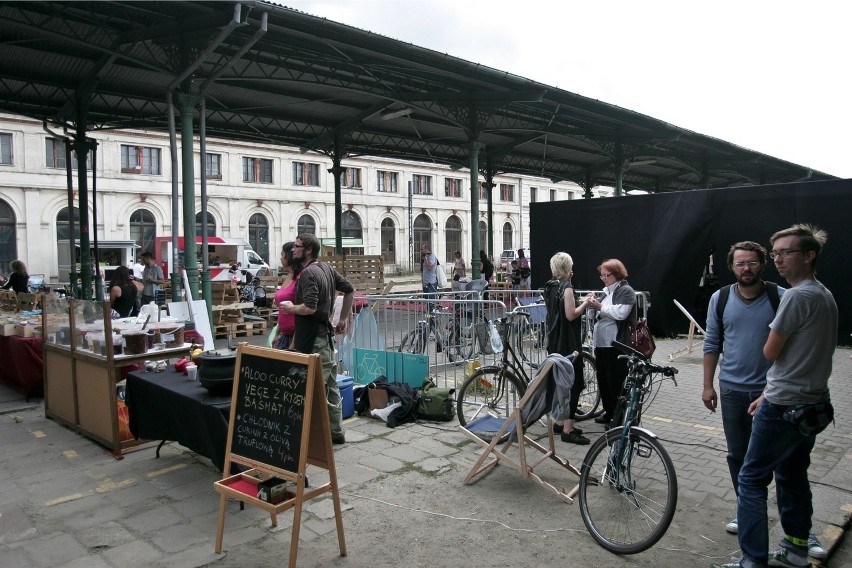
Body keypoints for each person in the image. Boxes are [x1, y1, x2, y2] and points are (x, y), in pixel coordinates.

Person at [712, 224, 838, 568]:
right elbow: (800, 359)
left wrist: (770, 392)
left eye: (786, 252)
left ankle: (752, 560)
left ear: (809, 256)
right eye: (777, 252)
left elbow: (770, 351)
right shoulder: (824, 294)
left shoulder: (795, 296)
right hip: (812, 401)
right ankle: (796, 551)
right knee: (792, 475)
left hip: (784, 405)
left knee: (751, 479)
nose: (779, 259)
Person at [702, 241, 794, 538]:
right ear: (732, 267)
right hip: (731, 392)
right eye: (740, 263)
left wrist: (773, 387)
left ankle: (794, 524)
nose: (746, 268)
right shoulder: (721, 298)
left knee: (781, 460)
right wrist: (707, 386)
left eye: (752, 263)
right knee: (738, 456)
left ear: (762, 265)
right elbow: (712, 343)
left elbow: (791, 349)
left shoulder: (780, 297)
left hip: (773, 394)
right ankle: (747, 512)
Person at [282, 233, 355, 445]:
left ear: (308, 251)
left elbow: (310, 307)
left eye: (297, 247)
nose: (293, 250)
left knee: (317, 390)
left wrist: (291, 307)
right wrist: (341, 319)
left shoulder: (308, 274)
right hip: (323, 337)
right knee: (330, 388)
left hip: (315, 340)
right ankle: (336, 432)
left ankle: (316, 436)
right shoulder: (326, 268)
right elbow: (349, 289)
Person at [543, 252, 592, 444]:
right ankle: (568, 430)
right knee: (575, 383)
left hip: (555, 340)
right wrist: (586, 303)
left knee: (559, 383)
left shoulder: (550, 287)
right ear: (567, 268)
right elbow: (571, 315)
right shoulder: (567, 288)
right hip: (569, 341)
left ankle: (559, 422)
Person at [585, 259, 636, 425]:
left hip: (616, 344)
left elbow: (621, 313)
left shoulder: (626, 291)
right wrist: (591, 306)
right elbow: (596, 315)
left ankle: (619, 417)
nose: (604, 278)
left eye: (607, 275)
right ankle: (609, 412)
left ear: (617, 274)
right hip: (602, 343)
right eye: (602, 276)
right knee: (604, 381)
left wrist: (599, 306)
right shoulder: (606, 292)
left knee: (616, 382)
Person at [272, 242, 302, 350]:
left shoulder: (300, 278)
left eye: (282, 254)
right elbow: (282, 310)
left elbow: (302, 313)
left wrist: (293, 344)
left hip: (296, 337)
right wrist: (277, 334)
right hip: (284, 336)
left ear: (288, 256)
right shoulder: (287, 277)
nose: (280, 258)